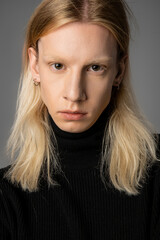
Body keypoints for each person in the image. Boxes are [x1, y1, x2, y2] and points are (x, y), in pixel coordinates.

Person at [0, 0, 160, 239]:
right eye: (58, 65)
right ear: (34, 65)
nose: (75, 94)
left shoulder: (156, 173)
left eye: (95, 67)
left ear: (119, 71)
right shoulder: (6, 198)